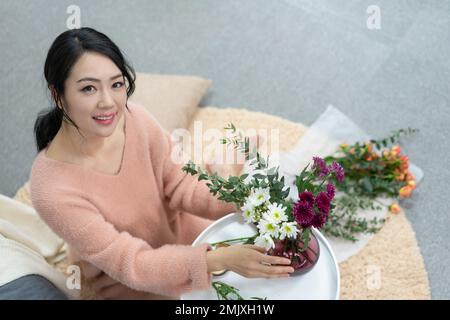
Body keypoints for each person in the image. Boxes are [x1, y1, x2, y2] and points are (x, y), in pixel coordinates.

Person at [29, 27, 294, 300]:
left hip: (191, 237)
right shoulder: (51, 190)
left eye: (117, 84)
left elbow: (182, 183)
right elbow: (131, 264)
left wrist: (244, 198)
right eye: (88, 88)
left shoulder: (135, 119)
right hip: (134, 283)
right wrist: (217, 261)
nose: (108, 103)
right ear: (58, 95)